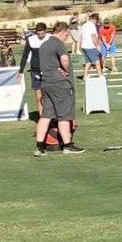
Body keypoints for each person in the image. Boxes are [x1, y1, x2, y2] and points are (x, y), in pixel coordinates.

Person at [33, 21, 82, 155]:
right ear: (62, 32)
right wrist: (66, 70)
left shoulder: (43, 45)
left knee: (46, 115)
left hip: (46, 83)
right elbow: (65, 59)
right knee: (64, 115)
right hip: (59, 84)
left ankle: (39, 147)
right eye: (66, 35)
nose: (67, 38)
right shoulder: (58, 44)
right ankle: (67, 145)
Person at [17, 21, 48, 117]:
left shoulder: (50, 39)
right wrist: (21, 71)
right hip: (35, 70)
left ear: (45, 31)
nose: (40, 36)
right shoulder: (31, 40)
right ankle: (41, 116)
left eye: (42, 33)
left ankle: (51, 116)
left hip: (48, 70)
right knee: (38, 96)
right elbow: (25, 55)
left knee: (48, 95)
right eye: (38, 34)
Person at [76, 12, 102, 77]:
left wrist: (79, 48)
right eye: (97, 20)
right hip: (90, 46)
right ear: (94, 19)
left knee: (88, 62)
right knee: (97, 61)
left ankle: (85, 76)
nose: (96, 22)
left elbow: (81, 37)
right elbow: (93, 36)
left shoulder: (84, 25)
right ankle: (100, 75)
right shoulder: (92, 25)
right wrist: (97, 46)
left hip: (84, 46)